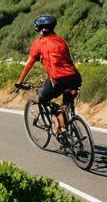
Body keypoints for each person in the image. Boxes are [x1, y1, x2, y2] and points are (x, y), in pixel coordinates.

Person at [15, 14, 81, 142]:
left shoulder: (38, 43)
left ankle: (61, 130)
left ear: (38, 30)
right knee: (66, 102)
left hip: (58, 79)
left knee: (43, 99)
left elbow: (29, 63)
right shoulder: (61, 40)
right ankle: (67, 125)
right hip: (75, 77)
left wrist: (19, 82)